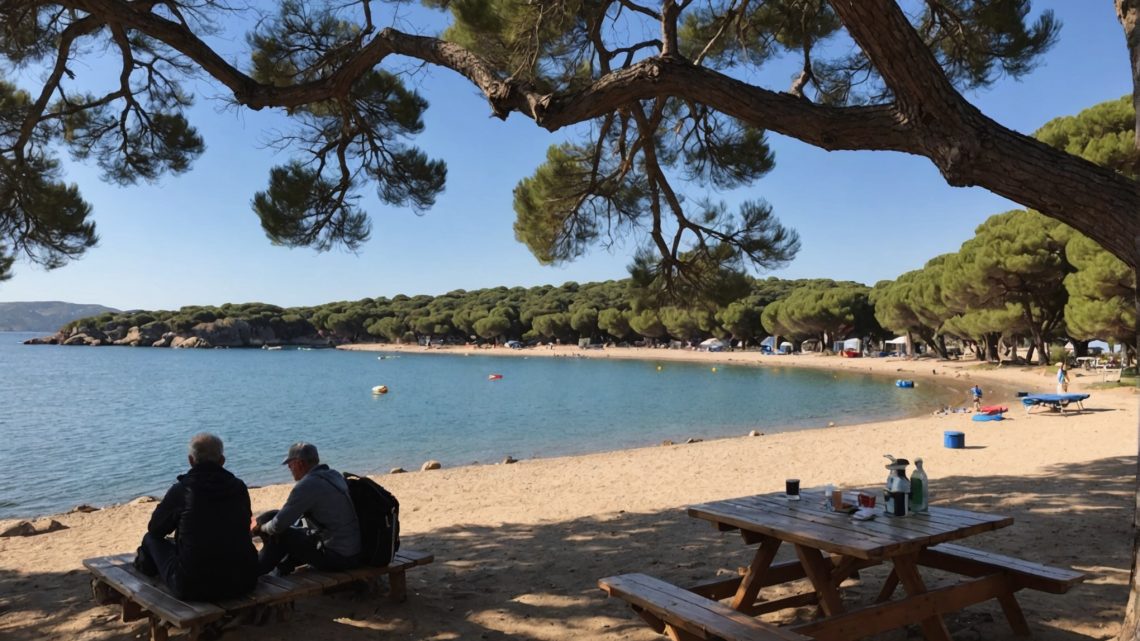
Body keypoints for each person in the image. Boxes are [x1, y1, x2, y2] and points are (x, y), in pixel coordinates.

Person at [134, 433, 258, 600]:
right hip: (244, 580)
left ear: (191, 460)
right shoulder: (238, 487)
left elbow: (155, 529)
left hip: (193, 586)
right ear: (222, 460)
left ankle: (147, 569)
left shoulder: (183, 490)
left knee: (150, 539)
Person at [252, 442, 361, 576]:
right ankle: (282, 566)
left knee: (282, 534)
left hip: (338, 557)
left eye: (290, 464)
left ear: (299, 463)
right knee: (274, 516)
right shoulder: (333, 475)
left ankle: (255, 570)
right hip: (353, 551)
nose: (289, 469)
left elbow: (278, 526)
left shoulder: (307, 486)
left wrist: (260, 529)